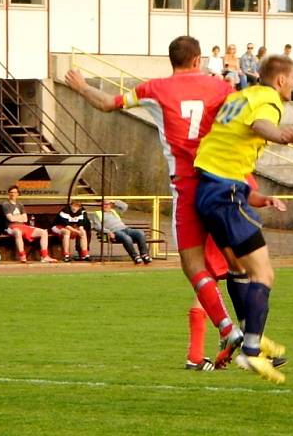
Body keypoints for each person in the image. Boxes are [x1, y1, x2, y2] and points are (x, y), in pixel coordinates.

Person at [65, 36, 256, 370]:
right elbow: (243, 125)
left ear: (172, 61)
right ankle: (231, 343)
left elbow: (109, 103)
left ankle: (235, 335)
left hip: (188, 185)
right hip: (225, 185)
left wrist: (81, 87)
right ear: (198, 60)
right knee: (231, 268)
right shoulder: (221, 87)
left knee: (194, 265)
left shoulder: (154, 89)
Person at [194, 55, 293, 383]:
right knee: (264, 274)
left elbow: (231, 142)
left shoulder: (239, 96)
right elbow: (260, 126)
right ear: (280, 80)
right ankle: (251, 351)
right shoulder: (268, 100)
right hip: (225, 192)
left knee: (240, 270)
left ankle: (250, 338)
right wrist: (281, 135)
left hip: (212, 189)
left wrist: (256, 196)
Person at [0, 185, 57, 263]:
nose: (13, 194)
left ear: (18, 194)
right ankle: (22, 256)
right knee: (18, 232)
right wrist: (19, 217)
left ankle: (44, 256)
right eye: (11, 192)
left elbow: (25, 219)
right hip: (11, 227)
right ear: (8, 194)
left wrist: (16, 217)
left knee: (43, 232)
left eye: (15, 192)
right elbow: (10, 219)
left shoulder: (20, 204)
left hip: (23, 226)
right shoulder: (6, 204)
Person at [90, 200, 151, 265]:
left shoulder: (114, 211)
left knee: (140, 233)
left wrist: (114, 202)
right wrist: (108, 232)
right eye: (103, 204)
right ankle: (135, 257)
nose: (105, 206)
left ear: (110, 205)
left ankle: (144, 255)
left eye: (107, 204)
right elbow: (98, 227)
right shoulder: (97, 214)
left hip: (125, 229)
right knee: (127, 238)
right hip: (114, 231)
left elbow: (125, 206)